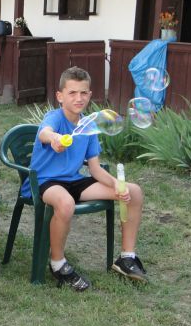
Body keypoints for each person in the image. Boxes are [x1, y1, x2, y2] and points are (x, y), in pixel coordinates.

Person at [26, 66, 147, 291]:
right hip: (45, 182)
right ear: (60, 96)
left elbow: (95, 169)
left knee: (135, 192)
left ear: (90, 95)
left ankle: (126, 258)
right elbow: (45, 132)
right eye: (72, 93)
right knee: (65, 203)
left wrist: (117, 185)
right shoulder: (54, 117)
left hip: (74, 180)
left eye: (83, 93)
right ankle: (58, 263)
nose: (78, 98)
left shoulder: (88, 125)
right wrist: (55, 139)